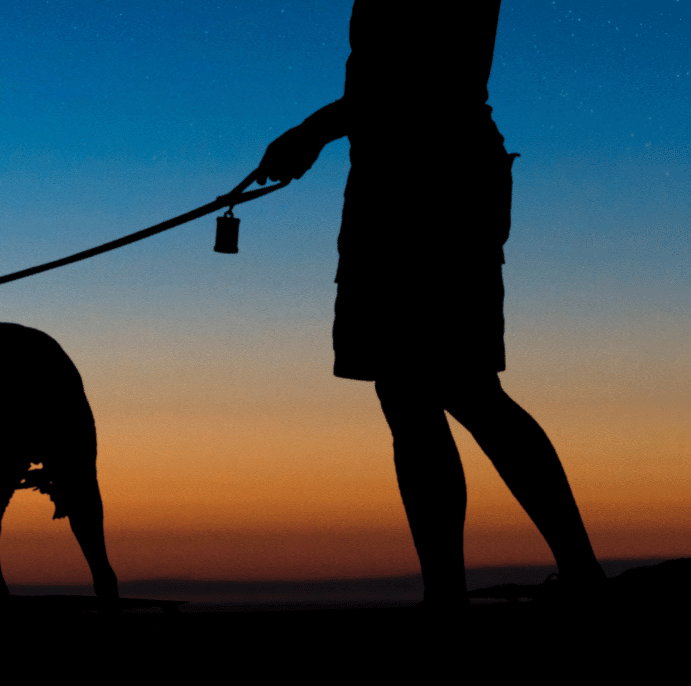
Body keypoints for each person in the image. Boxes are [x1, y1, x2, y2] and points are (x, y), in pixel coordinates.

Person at [251, 0, 606, 605]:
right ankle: (475, 588)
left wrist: (310, 134)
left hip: (431, 188)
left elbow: (414, 82)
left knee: (458, 389)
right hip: (406, 186)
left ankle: (514, 583)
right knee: (421, 395)